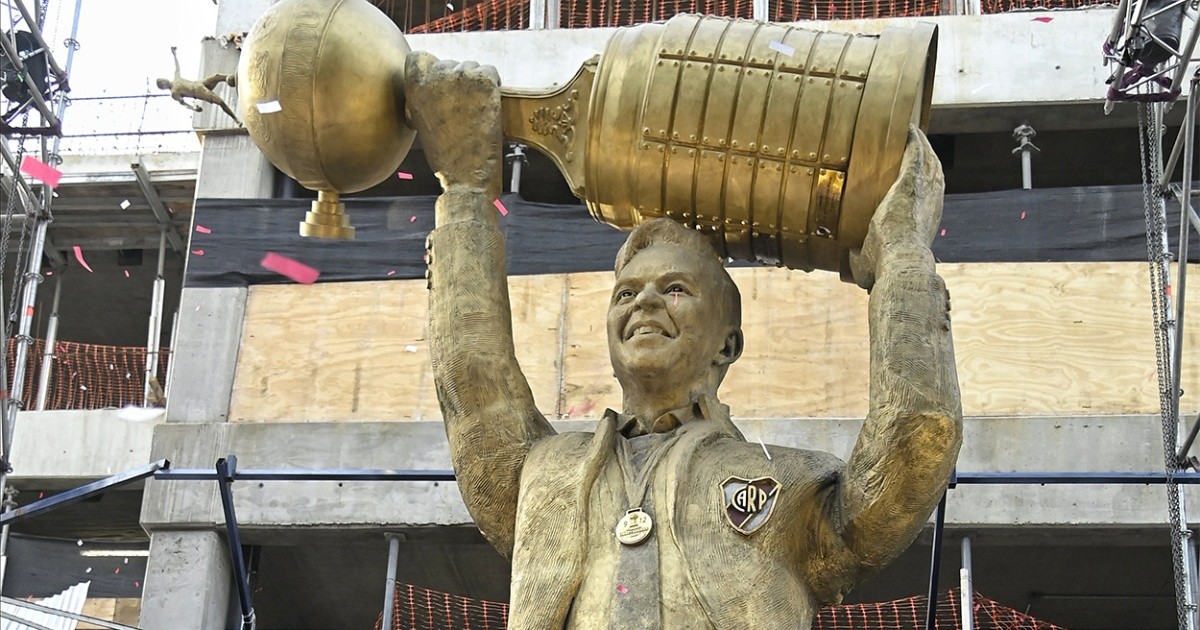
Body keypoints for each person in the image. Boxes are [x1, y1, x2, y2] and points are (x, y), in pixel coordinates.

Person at [408, 51, 962, 630]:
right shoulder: (546, 476)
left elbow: (917, 435)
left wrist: (902, 260)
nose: (644, 301)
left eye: (675, 290)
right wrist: (467, 194)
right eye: (626, 294)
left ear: (727, 344)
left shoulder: (795, 489)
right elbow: (473, 384)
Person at [155, 47, 240, 124]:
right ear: (163, 87)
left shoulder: (176, 78)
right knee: (220, 101)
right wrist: (194, 108)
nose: (164, 81)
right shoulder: (174, 93)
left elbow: (177, 67)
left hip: (199, 83)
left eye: (163, 80)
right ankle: (236, 119)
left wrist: (174, 54)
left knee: (216, 76)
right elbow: (183, 103)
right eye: (162, 84)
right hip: (198, 92)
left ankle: (233, 78)